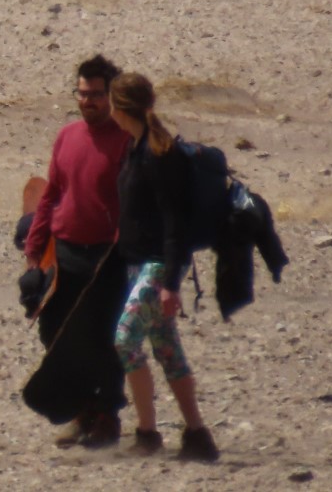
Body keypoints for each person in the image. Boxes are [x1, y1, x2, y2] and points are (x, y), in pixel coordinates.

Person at [109, 72, 220, 462]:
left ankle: (147, 432)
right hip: (137, 264)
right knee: (166, 349)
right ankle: (197, 435)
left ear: (120, 109)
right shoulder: (136, 147)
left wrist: (171, 282)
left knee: (125, 340)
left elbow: (177, 223)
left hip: (158, 267)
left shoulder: (161, 155)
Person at [23, 54, 132, 447]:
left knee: (103, 338)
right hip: (65, 251)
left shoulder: (126, 140)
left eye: (96, 95)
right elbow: (51, 192)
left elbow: (132, 202)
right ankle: (82, 410)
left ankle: (107, 416)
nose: (88, 101)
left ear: (112, 96)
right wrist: (35, 245)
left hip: (107, 258)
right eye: (82, 94)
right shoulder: (67, 135)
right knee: (53, 329)